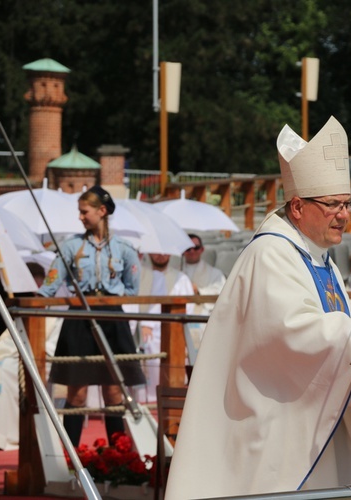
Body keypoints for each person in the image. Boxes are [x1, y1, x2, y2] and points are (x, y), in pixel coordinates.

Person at [166, 117, 351, 499]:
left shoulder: (318, 256)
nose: (344, 215)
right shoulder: (271, 254)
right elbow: (292, 332)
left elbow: (333, 323)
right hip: (268, 418)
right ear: (297, 206)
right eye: (332, 205)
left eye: (347, 203)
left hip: (307, 413)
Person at [37, 186, 142, 446]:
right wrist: (35, 298)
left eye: (85, 212)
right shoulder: (70, 246)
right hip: (80, 320)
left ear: (102, 211)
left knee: (114, 391)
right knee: (77, 392)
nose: (80, 217)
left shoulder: (125, 249)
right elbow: (50, 284)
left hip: (112, 319)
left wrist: (111, 301)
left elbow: (132, 289)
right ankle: (71, 460)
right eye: (79, 212)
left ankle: (119, 458)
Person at [131, 253, 194, 402]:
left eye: (163, 253)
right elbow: (133, 304)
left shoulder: (181, 278)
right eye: (156, 252)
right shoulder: (140, 276)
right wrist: (145, 324)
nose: (160, 256)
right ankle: (147, 401)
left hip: (174, 329)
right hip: (144, 329)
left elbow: (189, 305)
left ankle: (168, 399)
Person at [181, 234, 227, 348]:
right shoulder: (176, 273)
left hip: (203, 312)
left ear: (202, 249)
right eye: (188, 248)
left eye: (196, 248)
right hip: (180, 311)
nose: (192, 251)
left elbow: (222, 292)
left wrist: (199, 291)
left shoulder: (215, 273)